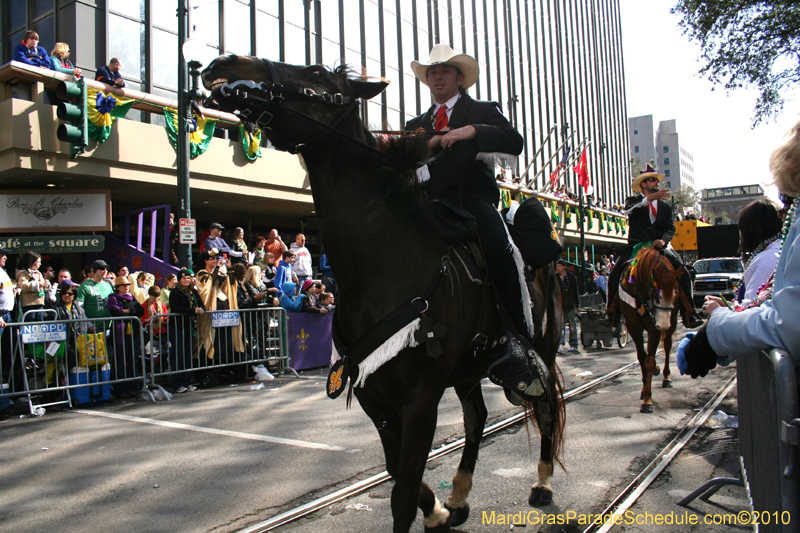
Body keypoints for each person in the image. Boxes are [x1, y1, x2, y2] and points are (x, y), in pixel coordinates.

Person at [406, 44, 547, 401]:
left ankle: (520, 344)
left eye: (444, 71)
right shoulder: (414, 126)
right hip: (428, 208)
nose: (437, 77)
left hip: (473, 205)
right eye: (432, 72)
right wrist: (426, 145)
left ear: (459, 78)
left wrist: (470, 130)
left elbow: (514, 141)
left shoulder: (482, 111)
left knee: (502, 250)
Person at [682, 120, 800, 376]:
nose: (786, 212)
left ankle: (686, 309)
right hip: (642, 243)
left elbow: (786, 322)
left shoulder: (767, 257)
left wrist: (716, 331)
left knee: (676, 269)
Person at [598, 165, 703, 329]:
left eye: (657, 180)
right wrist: (649, 199)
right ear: (643, 184)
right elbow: (628, 212)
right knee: (615, 273)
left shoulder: (665, 207)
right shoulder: (633, 201)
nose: (656, 183)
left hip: (660, 247)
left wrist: (663, 240)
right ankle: (611, 312)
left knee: (683, 272)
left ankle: (690, 312)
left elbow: (671, 228)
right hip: (637, 246)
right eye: (653, 180)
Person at [195, 251, 244, 360]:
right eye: (211, 259)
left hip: (224, 306)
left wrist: (229, 268)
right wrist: (217, 268)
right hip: (212, 308)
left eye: (215, 259)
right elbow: (208, 285)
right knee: (215, 336)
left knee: (226, 335)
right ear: (205, 261)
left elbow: (231, 283)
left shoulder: (219, 273)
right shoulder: (201, 274)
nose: (214, 261)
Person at [735, 199, 782, 308]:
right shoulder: (779, 250)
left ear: (750, 230)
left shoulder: (765, 260)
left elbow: (752, 310)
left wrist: (717, 310)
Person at [107, 276, 144, 398]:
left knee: (133, 361)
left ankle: (132, 387)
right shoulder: (113, 298)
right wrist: (131, 312)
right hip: (120, 335)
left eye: (128, 285)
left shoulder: (132, 297)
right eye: (124, 285)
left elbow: (140, 310)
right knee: (120, 362)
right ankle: (121, 389)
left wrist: (127, 311)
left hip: (133, 334)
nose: (126, 287)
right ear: (118, 287)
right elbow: (115, 311)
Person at [169, 269, 203, 393]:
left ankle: (187, 381)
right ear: (179, 280)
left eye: (188, 278)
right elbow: (175, 308)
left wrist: (201, 309)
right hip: (178, 327)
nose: (187, 280)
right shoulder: (175, 292)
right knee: (178, 355)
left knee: (188, 355)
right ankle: (177, 383)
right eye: (184, 278)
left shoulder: (193, 292)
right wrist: (192, 311)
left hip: (190, 326)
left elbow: (200, 303)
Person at [76, 260, 114, 331]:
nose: (105, 271)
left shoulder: (108, 285)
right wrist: (89, 325)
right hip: (93, 328)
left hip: (109, 326)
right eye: (102, 268)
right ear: (94, 270)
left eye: (106, 269)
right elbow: (79, 307)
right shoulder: (85, 286)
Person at [15, 252, 50, 321]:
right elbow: (23, 285)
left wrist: (45, 285)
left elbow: (42, 283)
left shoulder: (38, 273)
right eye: (38, 262)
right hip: (29, 303)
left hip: (39, 302)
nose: (40, 264)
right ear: (31, 262)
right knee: (30, 320)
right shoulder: (24, 273)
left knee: (40, 320)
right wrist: (38, 284)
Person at [555, 260, 580, 354]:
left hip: (570, 305)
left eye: (560, 266)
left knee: (572, 326)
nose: (558, 268)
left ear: (564, 267)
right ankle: (560, 344)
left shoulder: (571, 277)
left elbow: (575, 291)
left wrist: (577, 305)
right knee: (561, 326)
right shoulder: (555, 277)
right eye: (557, 266)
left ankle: (573, 344)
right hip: (560, 306)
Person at [142, 285, 169, 365]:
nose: (156, 299)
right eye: (154, 297)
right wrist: (148, 320)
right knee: (153, 354)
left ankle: (162, 368)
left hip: (162, 332)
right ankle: (154, 370)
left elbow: (166, 316)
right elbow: (140, 319)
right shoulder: (144, 306)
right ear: (150, 295)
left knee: (164, 353)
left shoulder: (162, 305)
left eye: (158, 297)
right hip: (150, 333)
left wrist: (165, 320)